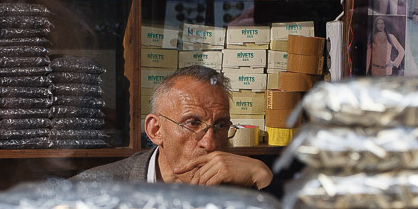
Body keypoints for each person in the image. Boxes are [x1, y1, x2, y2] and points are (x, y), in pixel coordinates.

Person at [73, 65, 272, 189]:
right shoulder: (94, 190)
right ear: (155, 130)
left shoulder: (244, 186)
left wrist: (262, 177)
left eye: (220, 125)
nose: (210, 143)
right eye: (192, 123)